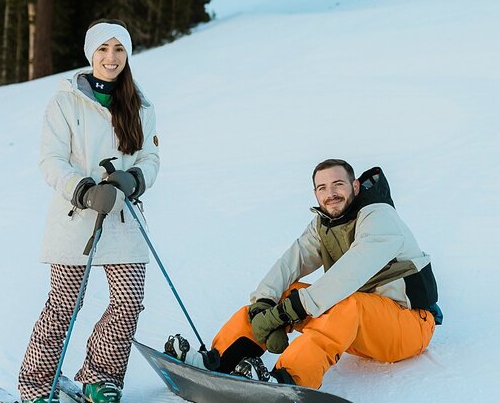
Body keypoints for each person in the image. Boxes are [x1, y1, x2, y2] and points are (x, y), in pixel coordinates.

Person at [166, 159, 440, 389]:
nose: (330, 193)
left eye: (338, 184)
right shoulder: (324, 224)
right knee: (284, 292)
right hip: (356, 330)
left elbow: (349, 274)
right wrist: (265, 303)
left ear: (355, 186)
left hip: (409, 326)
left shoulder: (380, 218)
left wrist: (289, 312)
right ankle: (218, 360)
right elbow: (290, 263)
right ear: (316, 194)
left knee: (345, 302)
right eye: (322, 188)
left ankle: (289, 380)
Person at [17, 20, 160, 403]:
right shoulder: (65, 102)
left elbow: (151, 159)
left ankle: (100, 377)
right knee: (65, 304)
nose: (111, 58)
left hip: (123, 216)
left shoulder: (141, 105)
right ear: (90, 54)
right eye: (103, 49)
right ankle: (36, 385)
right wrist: (82, 189)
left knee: (128, 302)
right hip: (74, 216)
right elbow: (51, 160)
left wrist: (134, 180)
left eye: (118, 50)